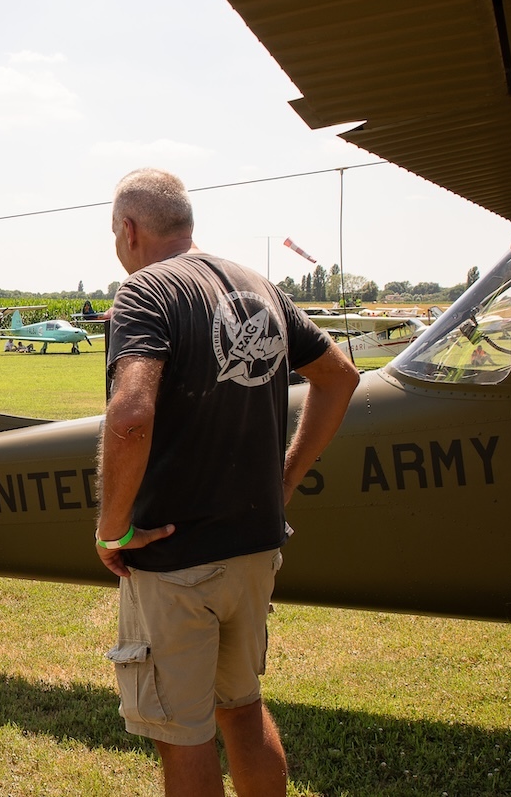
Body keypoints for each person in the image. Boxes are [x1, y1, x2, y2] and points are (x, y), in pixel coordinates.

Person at [96, 168, 358, 797]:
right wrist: (284, 479)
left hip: (175, 556)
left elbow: (130, 416)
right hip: (254, 549)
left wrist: (111, 530)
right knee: (241, 708)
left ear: (129, 230)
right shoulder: (258, 286)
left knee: (184, 733)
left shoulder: (143, 294)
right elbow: (340, 378)